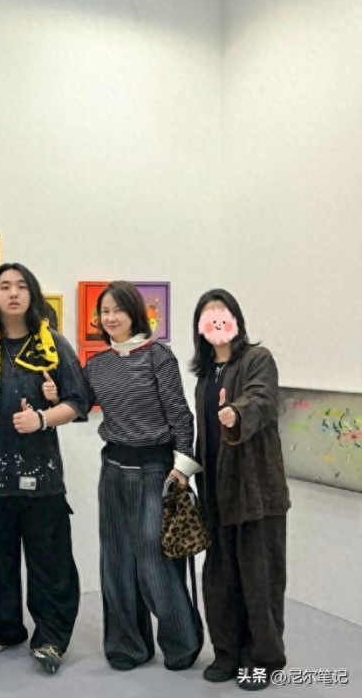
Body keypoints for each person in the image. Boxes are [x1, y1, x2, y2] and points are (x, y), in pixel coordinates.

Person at [0, 262, 88, 675]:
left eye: (21, 286)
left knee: (50, 562)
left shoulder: (53, 343)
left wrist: (42, 419)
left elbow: (78, 401)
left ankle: (52, 637)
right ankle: (1, 629)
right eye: (4, 286)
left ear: (32, 294)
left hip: (42, 475)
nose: (13, 293)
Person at [82, 281, 203, 672]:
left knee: (155, 561)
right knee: (116, 561)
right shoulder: (97, 365)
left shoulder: (158, 356)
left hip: (156, 471)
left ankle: (182, 644)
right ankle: (126, 646)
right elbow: (78, 404)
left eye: (118, 309)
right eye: (104, 311)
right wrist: (51, 394)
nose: (111, 317)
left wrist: (183, 467)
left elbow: (180, 415)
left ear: (135, 313)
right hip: (113, 471)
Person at [190, 289, 290, 692]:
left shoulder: (257, 359)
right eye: (208, 314)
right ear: (200, 327)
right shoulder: (204, 375)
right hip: (217, 494)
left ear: (235, 319)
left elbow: (262, 399)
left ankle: (262, 659)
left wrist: (236, 411)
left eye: (222, 311)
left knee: (260, 580)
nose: (216, 319)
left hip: (257, 493)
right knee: (220, 579)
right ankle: (227, 654)